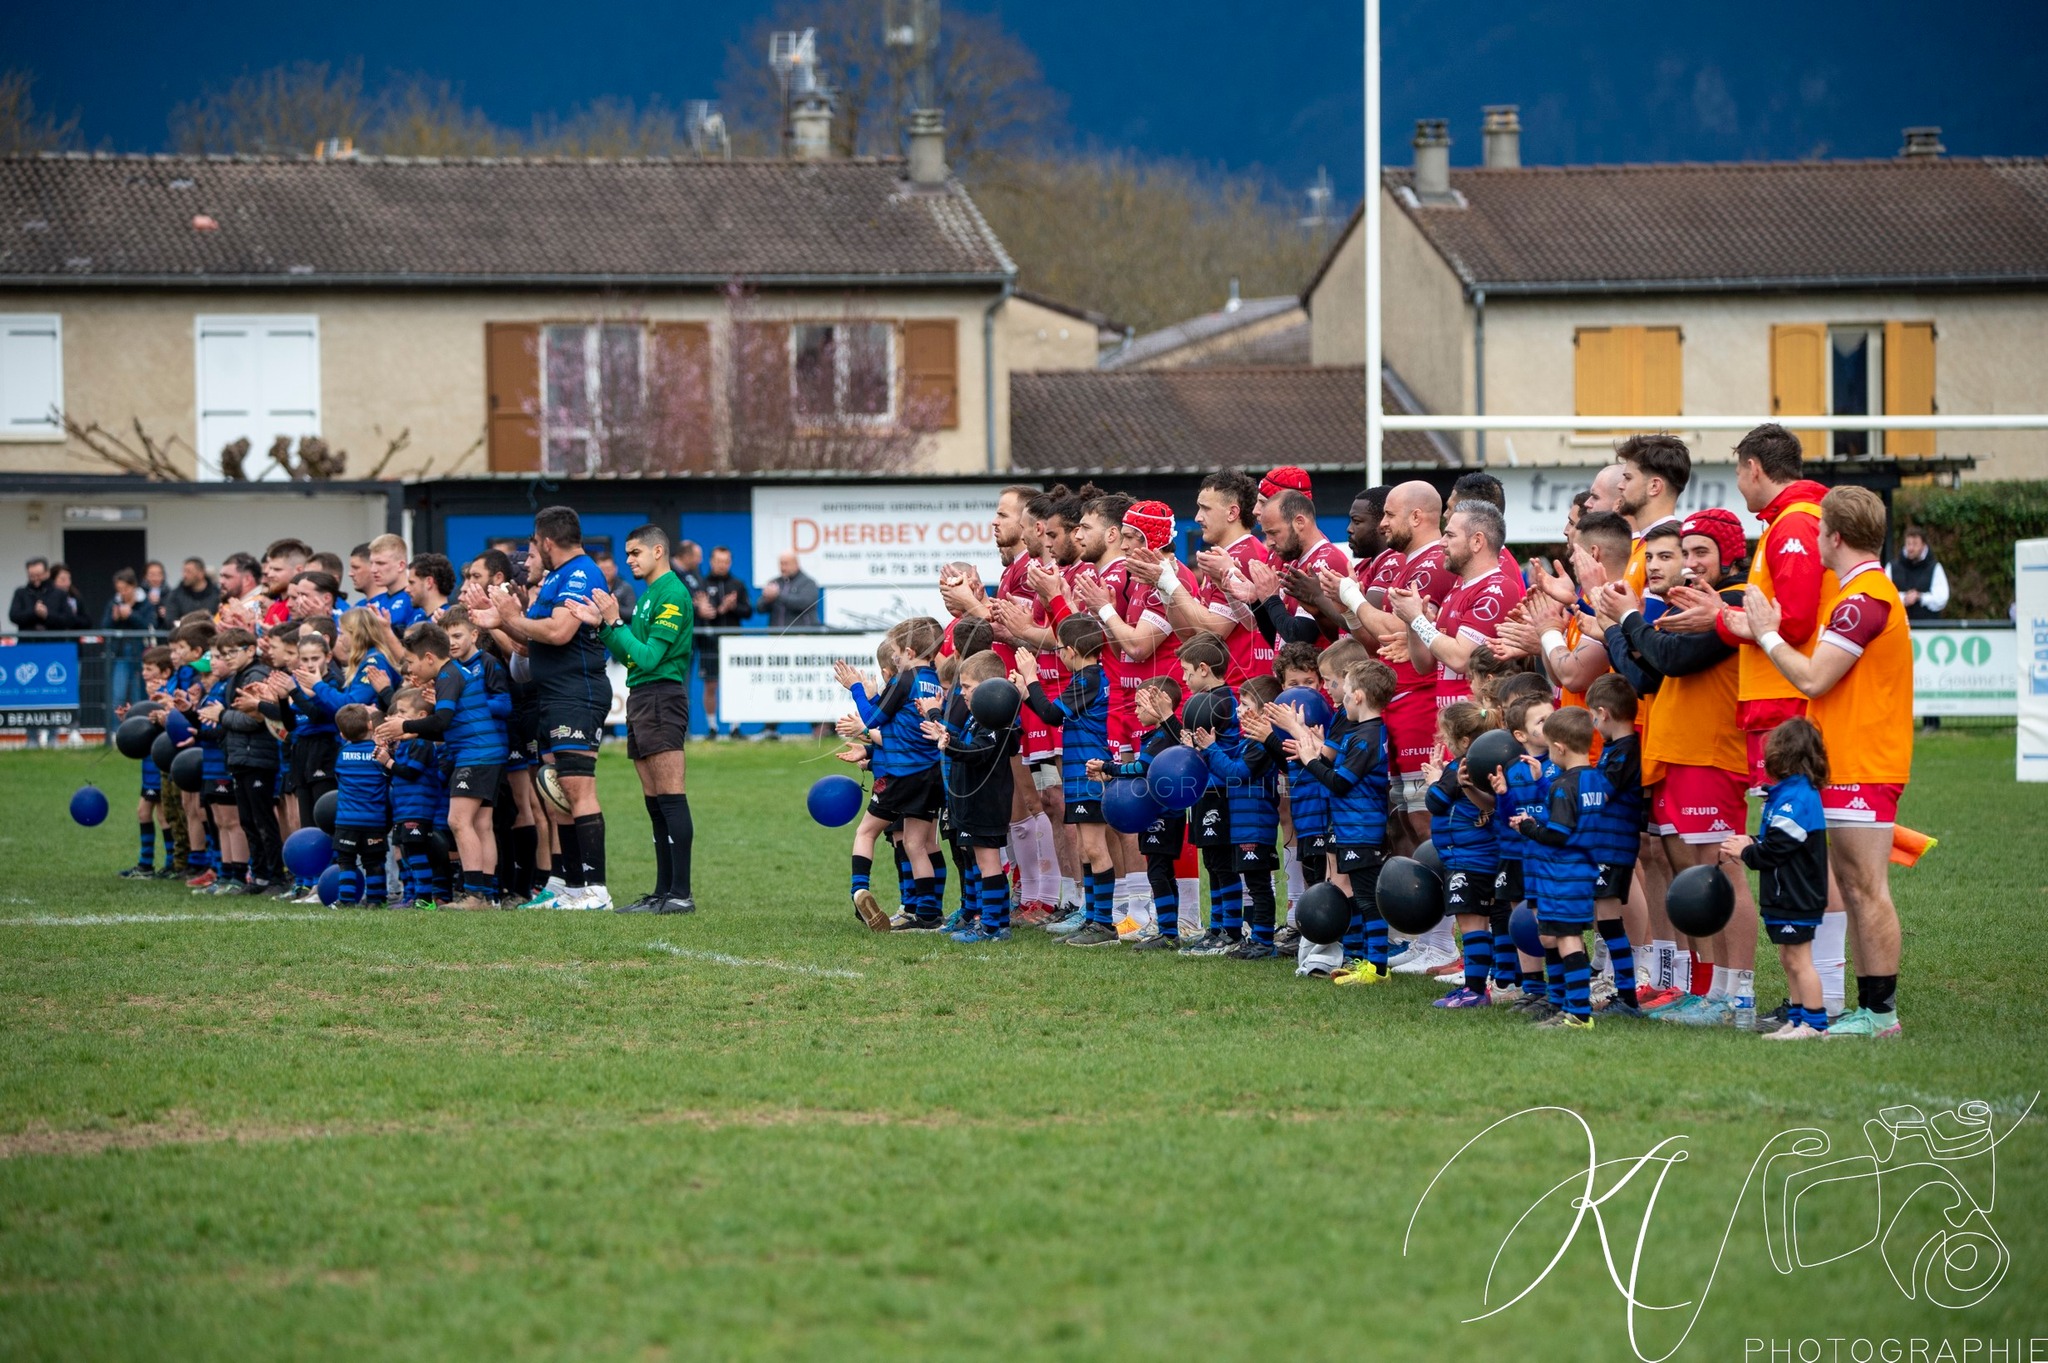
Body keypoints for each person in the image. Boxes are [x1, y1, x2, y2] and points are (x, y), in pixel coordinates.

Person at [1726, 485, 1911, 1040]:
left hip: (1863, 762)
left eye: (1818, 532)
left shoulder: (1864, 599)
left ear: (1833, 536)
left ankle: (1880, 1015)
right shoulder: (1855, 594)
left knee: (1865, 886)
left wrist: (1765, 633)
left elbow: (1813, 677)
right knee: (1853, 887)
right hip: (1851, 760)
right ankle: (1866, 1010)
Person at [463, 506, 614, 911]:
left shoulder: (581, 573)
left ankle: (596, 890)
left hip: (576, 693)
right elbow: (531, 644)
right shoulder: (556, 580)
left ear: (546, 541)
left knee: (578, 788)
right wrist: (498, 621)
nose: (532, 554)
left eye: (534, 544)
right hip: (552, 694)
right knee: (554, 788)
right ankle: (568, 884)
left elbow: (560, 633)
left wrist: (512, 615)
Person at [571, 524, 697, 915]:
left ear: (658, 551)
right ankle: (662, 893)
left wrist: (615, 622)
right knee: (654, 801)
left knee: (671, 796)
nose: (628, 561)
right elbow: (630, 655)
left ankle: (680, 894)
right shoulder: (649, 596)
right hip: (642, 698)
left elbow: (647, 658)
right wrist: (603, 625)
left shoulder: (672, 593)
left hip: (662, 696)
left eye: (634, 553)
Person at [378, 618, 509, 911]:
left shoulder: (449, 675)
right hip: (486, 752)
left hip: (476, 755)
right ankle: (485, 895)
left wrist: (405, 725)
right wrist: (411, 730)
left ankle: (474, 896)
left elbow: (443, 719)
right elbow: (450, 726)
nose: (410, 669)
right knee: (480, 823)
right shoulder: (453, 672)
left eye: (411, 662)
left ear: (428, 657)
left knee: (458, 821)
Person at [1720, 718, 1833, 1040]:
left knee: (1800, 960)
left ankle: (1814, 1024)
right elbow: (1775, 842)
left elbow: (1777, 850)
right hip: (1785, 894)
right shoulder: (1784, 794)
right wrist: (1749, 842)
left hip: (1798, 895)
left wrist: (1747, 851)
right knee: (1789, 958)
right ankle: (1797, 1020)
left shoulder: (1796, 799)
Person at [1018, 616, 1118, 945]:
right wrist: (1027, 691)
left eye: (1060, 647)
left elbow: (1050, 715)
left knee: (1093, 847)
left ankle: (1104, 925)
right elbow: (1050, 710)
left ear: (1072, 650)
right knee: (1084, 848)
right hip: (1079, 775)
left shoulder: (1088, 678)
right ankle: (1092, 918)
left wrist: (1032, 678)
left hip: (1089, 775)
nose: (1057, 653)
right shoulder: (1087, 677)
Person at [841, 617, 945, 932]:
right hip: (930, 775)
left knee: (866, 832)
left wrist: (856, 689)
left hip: (901, 774)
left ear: (909, 652)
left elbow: (873, 719)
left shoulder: (905, 679)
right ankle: (927, 915)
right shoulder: (934, 680)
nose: (895, 657)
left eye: (897, 651)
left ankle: (859, 891)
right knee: (916, 844)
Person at [1509, 705, 1607, 1031]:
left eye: (1551, 747)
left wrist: (1528, 827)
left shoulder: (1563, 786)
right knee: (1554, 937)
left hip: (1563, 873)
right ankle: (1565, 1003)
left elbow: (1558, 833)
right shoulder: (1596, 779)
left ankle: (1577, 1013)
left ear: (1560, 748)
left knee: (1567, 939)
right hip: (1585, 870)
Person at [1126, 468, 1274, 684]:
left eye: (1205, 509)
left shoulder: (1244, 557)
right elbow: (1189, 635)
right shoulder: (1221, 556)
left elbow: (1213, 633)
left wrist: (1170, 582)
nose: (1197, 517)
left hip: (1240, 689)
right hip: (1226, 689)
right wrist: (1165, 590)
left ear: (1232, 513)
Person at [1391, 498, 1525, 709]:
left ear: (1477, 542)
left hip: (1480, 723)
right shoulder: (1457, 589)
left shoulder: (1498, 588)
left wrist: (1417, 620)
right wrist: (1413, 622)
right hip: (1451, 723)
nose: (1442, 543)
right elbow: (1424, 664)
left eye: (1450, 535)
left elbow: (1461, 659)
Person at [926, 649, 1021, 942]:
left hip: (986, 804)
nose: (962, 693)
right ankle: (996, 922)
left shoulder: (997, 723)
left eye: (967, 687)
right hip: (971, 803)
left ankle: (991, 925)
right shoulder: (977, 718)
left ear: (989, 686)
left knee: (989, 863)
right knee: (980, 861)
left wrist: (948, 745)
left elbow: (979, 753)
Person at [329, 704, 392, 908]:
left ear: (341, 733)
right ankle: (376, 900)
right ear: (371, 725)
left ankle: (346, 900)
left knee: (346, 861)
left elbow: (338, 778)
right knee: (374, 862)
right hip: (374, 819)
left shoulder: (341, 755)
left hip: (347, 820)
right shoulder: (379, 754)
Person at [695, 546, 750, 740]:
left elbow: (748, 611)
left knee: (736, 685)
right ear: (711, 561)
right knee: (711, 685)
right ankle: (712, 727)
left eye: (726, 561)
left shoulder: (738, 584)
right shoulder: (701, 584)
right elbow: (692, 612)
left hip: (733, 642)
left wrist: (733, 607)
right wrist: (701, 612)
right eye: (719, 561)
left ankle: (735, 728)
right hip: (709, 642)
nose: (722, 565)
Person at [101, 568, 162, 718]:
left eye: (126, 589)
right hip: (120, 653)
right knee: (118, 694)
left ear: (134, 586)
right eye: (119, 589)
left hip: (140, 654)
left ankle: (139, 723)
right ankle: (116, 730)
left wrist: (131, 615)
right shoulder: (114, 603)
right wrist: (113, 618)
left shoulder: (145, 603)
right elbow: (104, 627)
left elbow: (149, 625)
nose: (123, 593)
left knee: (138, 693)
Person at [1887, 527, 1948, 621]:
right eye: (1908, 544)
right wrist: (1904, 598)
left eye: (1915, 544)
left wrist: (1920, 597)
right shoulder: (1892, 567)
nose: (1911, 548)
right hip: (1898, 627)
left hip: (1927, 630)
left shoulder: (1935, 567)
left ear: (1923, 545)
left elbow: (1941, 599)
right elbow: (1885, 596)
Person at [164, 558, 221, 623]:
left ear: (201, 573)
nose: (184, 575)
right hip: (183, 632)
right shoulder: (175, 595)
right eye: (183, 571)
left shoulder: (217, 595)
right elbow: (170, 620)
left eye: (188, 572)